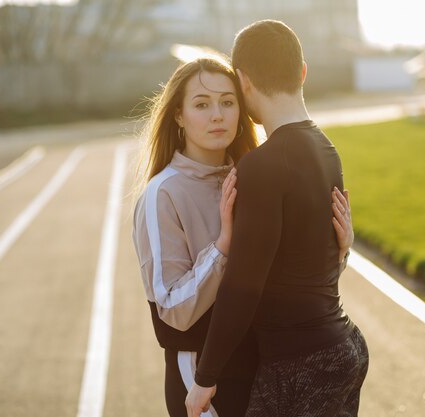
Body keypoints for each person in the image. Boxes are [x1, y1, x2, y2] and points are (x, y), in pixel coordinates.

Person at [133, 55, 354, 417]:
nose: (217, 114)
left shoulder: (254, 172)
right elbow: (172, 309)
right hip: (203, 374)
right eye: (202, 105)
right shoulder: (164, 193)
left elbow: (284, 278)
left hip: (263, 367)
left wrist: (339, 251)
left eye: (227, 101)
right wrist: (223, 247)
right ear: (178, 116)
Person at [186, 20, 369, 417]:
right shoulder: (326, 148)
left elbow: (243, 283)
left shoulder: (263, 166)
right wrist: (346, 250)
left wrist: (204, 376)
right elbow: (309, 259)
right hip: (343, 348)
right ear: (302, 72)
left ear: (243, 81)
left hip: (302, 363)